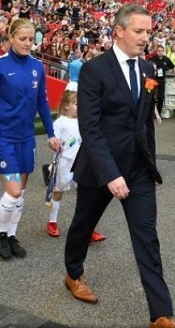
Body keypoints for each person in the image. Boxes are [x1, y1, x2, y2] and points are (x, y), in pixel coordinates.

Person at [63, 5, 175, 328]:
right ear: (118, 31)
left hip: (138, 170)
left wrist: (151, 164)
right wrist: (111, 174)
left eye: (148, 32)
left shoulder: (147, 69)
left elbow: (145, 124)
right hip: (100, 169)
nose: (146, 38)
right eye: (139, 31)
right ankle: (73, 274)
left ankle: (161, 314)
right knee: (82, 225)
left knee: (147, 237)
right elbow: (90, 127)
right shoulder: (94, 69)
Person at [0, 18, 60, 260]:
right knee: (13, 191)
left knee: (21, 192)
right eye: (22, 39)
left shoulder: (36, 67)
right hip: (3, 138)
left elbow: (43, 102)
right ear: (11, 38)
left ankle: (11, 235)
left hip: (26, 139)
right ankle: (0, 234)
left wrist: (51, 133)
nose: (27, 43)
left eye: (31, 39)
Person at [44, 90, 106, 242]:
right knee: (58, 192)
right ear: (66, 105)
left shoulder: (84, 120)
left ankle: (87, 229)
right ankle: (52, 222)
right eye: (76, 104)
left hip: (83, 163)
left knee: (86, 196)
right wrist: (53, 144)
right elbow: (51, 139)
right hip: (64, 162)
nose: (80, 107)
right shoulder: (60, 122)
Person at [150, 45, 175, 118]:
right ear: (156, 51)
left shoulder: (166, 59)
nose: (160, 52)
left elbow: (173, 67)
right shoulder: (152, 59)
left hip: (162, 80)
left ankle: (158, 114)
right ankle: (150, 113)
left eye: (161, 51)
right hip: (153, 80)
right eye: (158, 51)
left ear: (163, 52)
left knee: (160, 98)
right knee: (150, 97)